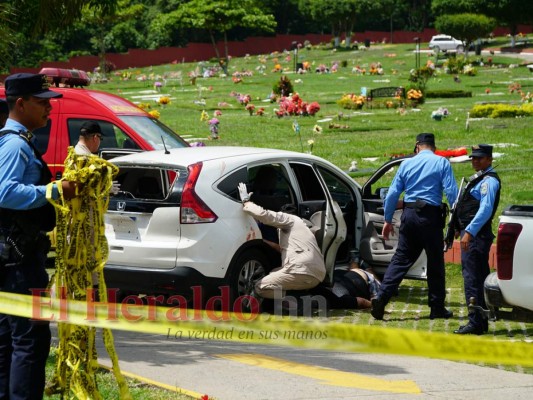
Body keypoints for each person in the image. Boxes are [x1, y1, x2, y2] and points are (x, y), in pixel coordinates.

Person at [0, 73, 78, 399]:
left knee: (8, 338)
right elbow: (5, 192)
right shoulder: (15, 144)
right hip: (19, 260)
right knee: (30, 339)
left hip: (13, 255)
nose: (48, 107)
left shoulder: (15, 140)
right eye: (41, 101)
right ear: (20, 103)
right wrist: (57, 190)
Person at [371, 133, 458, 320]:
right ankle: (437, 307)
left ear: (417, 146)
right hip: (430, 216)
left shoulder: (406, 164)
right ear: (433, 147)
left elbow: (393, 193)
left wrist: (387, 220)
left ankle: (381, 296)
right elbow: (452, 193)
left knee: (401, 258)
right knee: (435, 262)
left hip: (409, 216)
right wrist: (456, 220)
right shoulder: (442, 163)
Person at [237, 182, 325, 300]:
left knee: (261, 287)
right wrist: (262, 240)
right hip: (317, 275)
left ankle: (298, 298)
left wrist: (246, 201)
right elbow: (281, 248)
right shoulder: (304, 227)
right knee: (274, 272)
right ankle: (303, 298)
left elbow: (264, 215)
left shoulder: (289, 219)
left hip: (300, 270)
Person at [453, 144, 500, 335]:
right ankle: (480, 321)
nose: (475, 161)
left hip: (476, 236)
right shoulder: (480, 178)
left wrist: (469, 231)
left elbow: (485, 210)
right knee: (477, 277)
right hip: (473, 234)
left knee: (472, 278)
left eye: (480, 158)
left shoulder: (489, 181)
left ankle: (476, 321)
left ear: (489, 159)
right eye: (473, 158)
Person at [311, 264, 381, 310]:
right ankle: (358, 261)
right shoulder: (314, 286)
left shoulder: (338, 301)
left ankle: (366, 267)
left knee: (378, 284)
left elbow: (362, 302)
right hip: (342, 274)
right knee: (356, 270)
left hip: (362, 277)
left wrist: (373, 304)